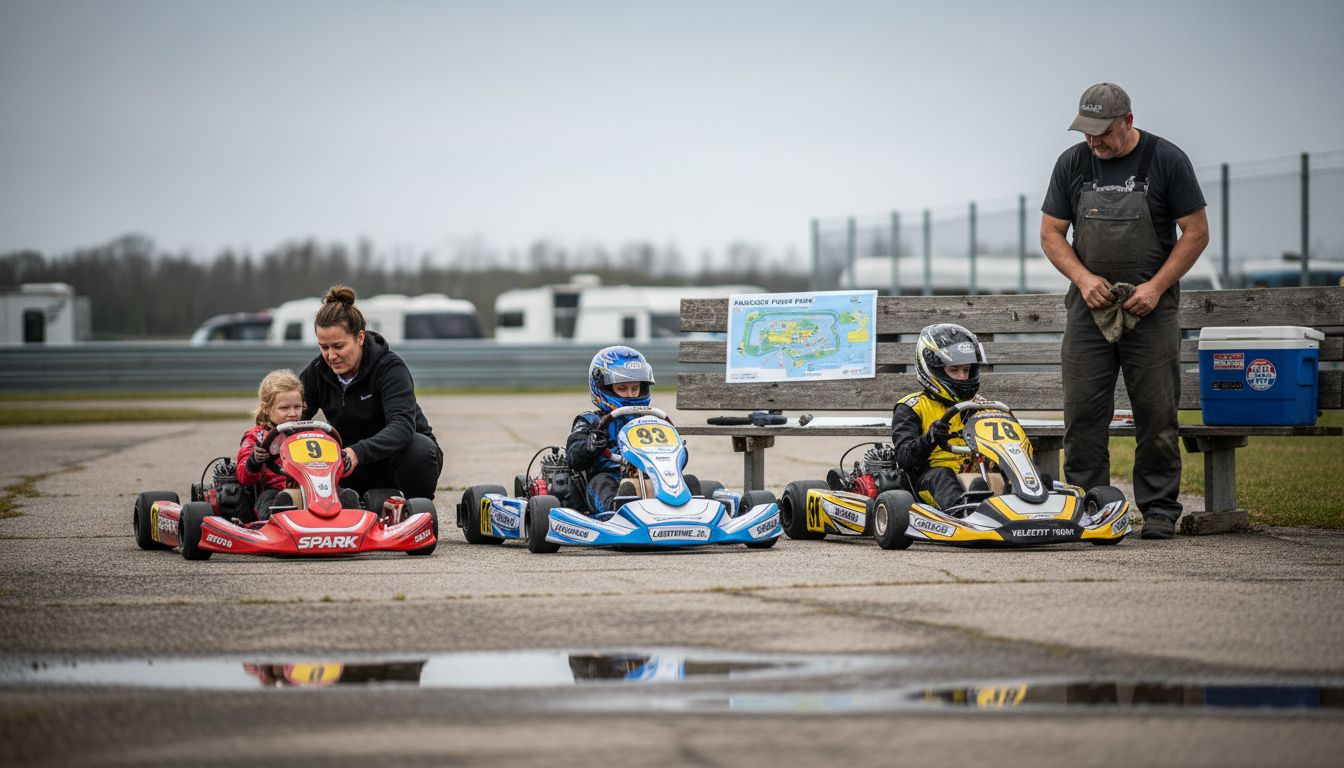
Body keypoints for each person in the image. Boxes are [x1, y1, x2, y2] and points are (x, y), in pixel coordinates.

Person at [1040, 83, 1209, 539]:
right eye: (1087, 132)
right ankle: (1090, 508)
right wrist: (1083, 278)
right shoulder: (1072, 163)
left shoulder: (1166, 160)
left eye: (1102, 132)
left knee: (1156, 414)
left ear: (1128, 121)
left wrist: (1156, 287)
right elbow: (1051, 233)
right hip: (1089, 309)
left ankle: (1158, 509)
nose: (1094, 141)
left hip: (1150, 308)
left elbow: (1196, 232)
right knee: (1082, 415)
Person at [298, 285, 442, 499]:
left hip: (397, 463)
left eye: (339, 346)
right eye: (324, 347)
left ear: (360, 337)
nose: (331, 356)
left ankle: (413, 507)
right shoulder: (317, 373)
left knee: (419, 448)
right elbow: (290, 418)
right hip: (352, 465)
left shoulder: (389, 368)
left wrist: (358, 452)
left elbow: (402, 426)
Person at [890, 324, 987, 512]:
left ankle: (1030, 505)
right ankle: (963, 513)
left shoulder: (980, 406)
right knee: (942, 475)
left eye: (966, 370)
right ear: (935, 370)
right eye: (955, 370)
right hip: (929, 480)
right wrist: (929, 438)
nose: (962, 377)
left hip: (975, 473)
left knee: (1001, 475)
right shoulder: (912, 407)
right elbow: (903, 457)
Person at [566, 345, 656, 516]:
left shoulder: (650, 420)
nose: (630, 394)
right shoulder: (591, 420)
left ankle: (684, 506)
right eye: (622, 388)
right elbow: (572, 457)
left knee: (681, 480)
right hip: (608, 478)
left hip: (649, 477)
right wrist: (590, 445)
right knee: (603, 482)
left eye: (635, 388)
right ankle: (618, 510)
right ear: (603, 387)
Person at [236, 368, 304, 519]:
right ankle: (277, 520)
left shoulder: (308, 432)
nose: (293, 413)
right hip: (273, 491)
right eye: (284, 408)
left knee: (337, 491)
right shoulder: (256, 437)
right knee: (272, 499)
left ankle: (344, 507)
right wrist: (254, 461)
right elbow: (243, 477)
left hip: (309, 489)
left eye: (297, 407)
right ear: (266, 409)